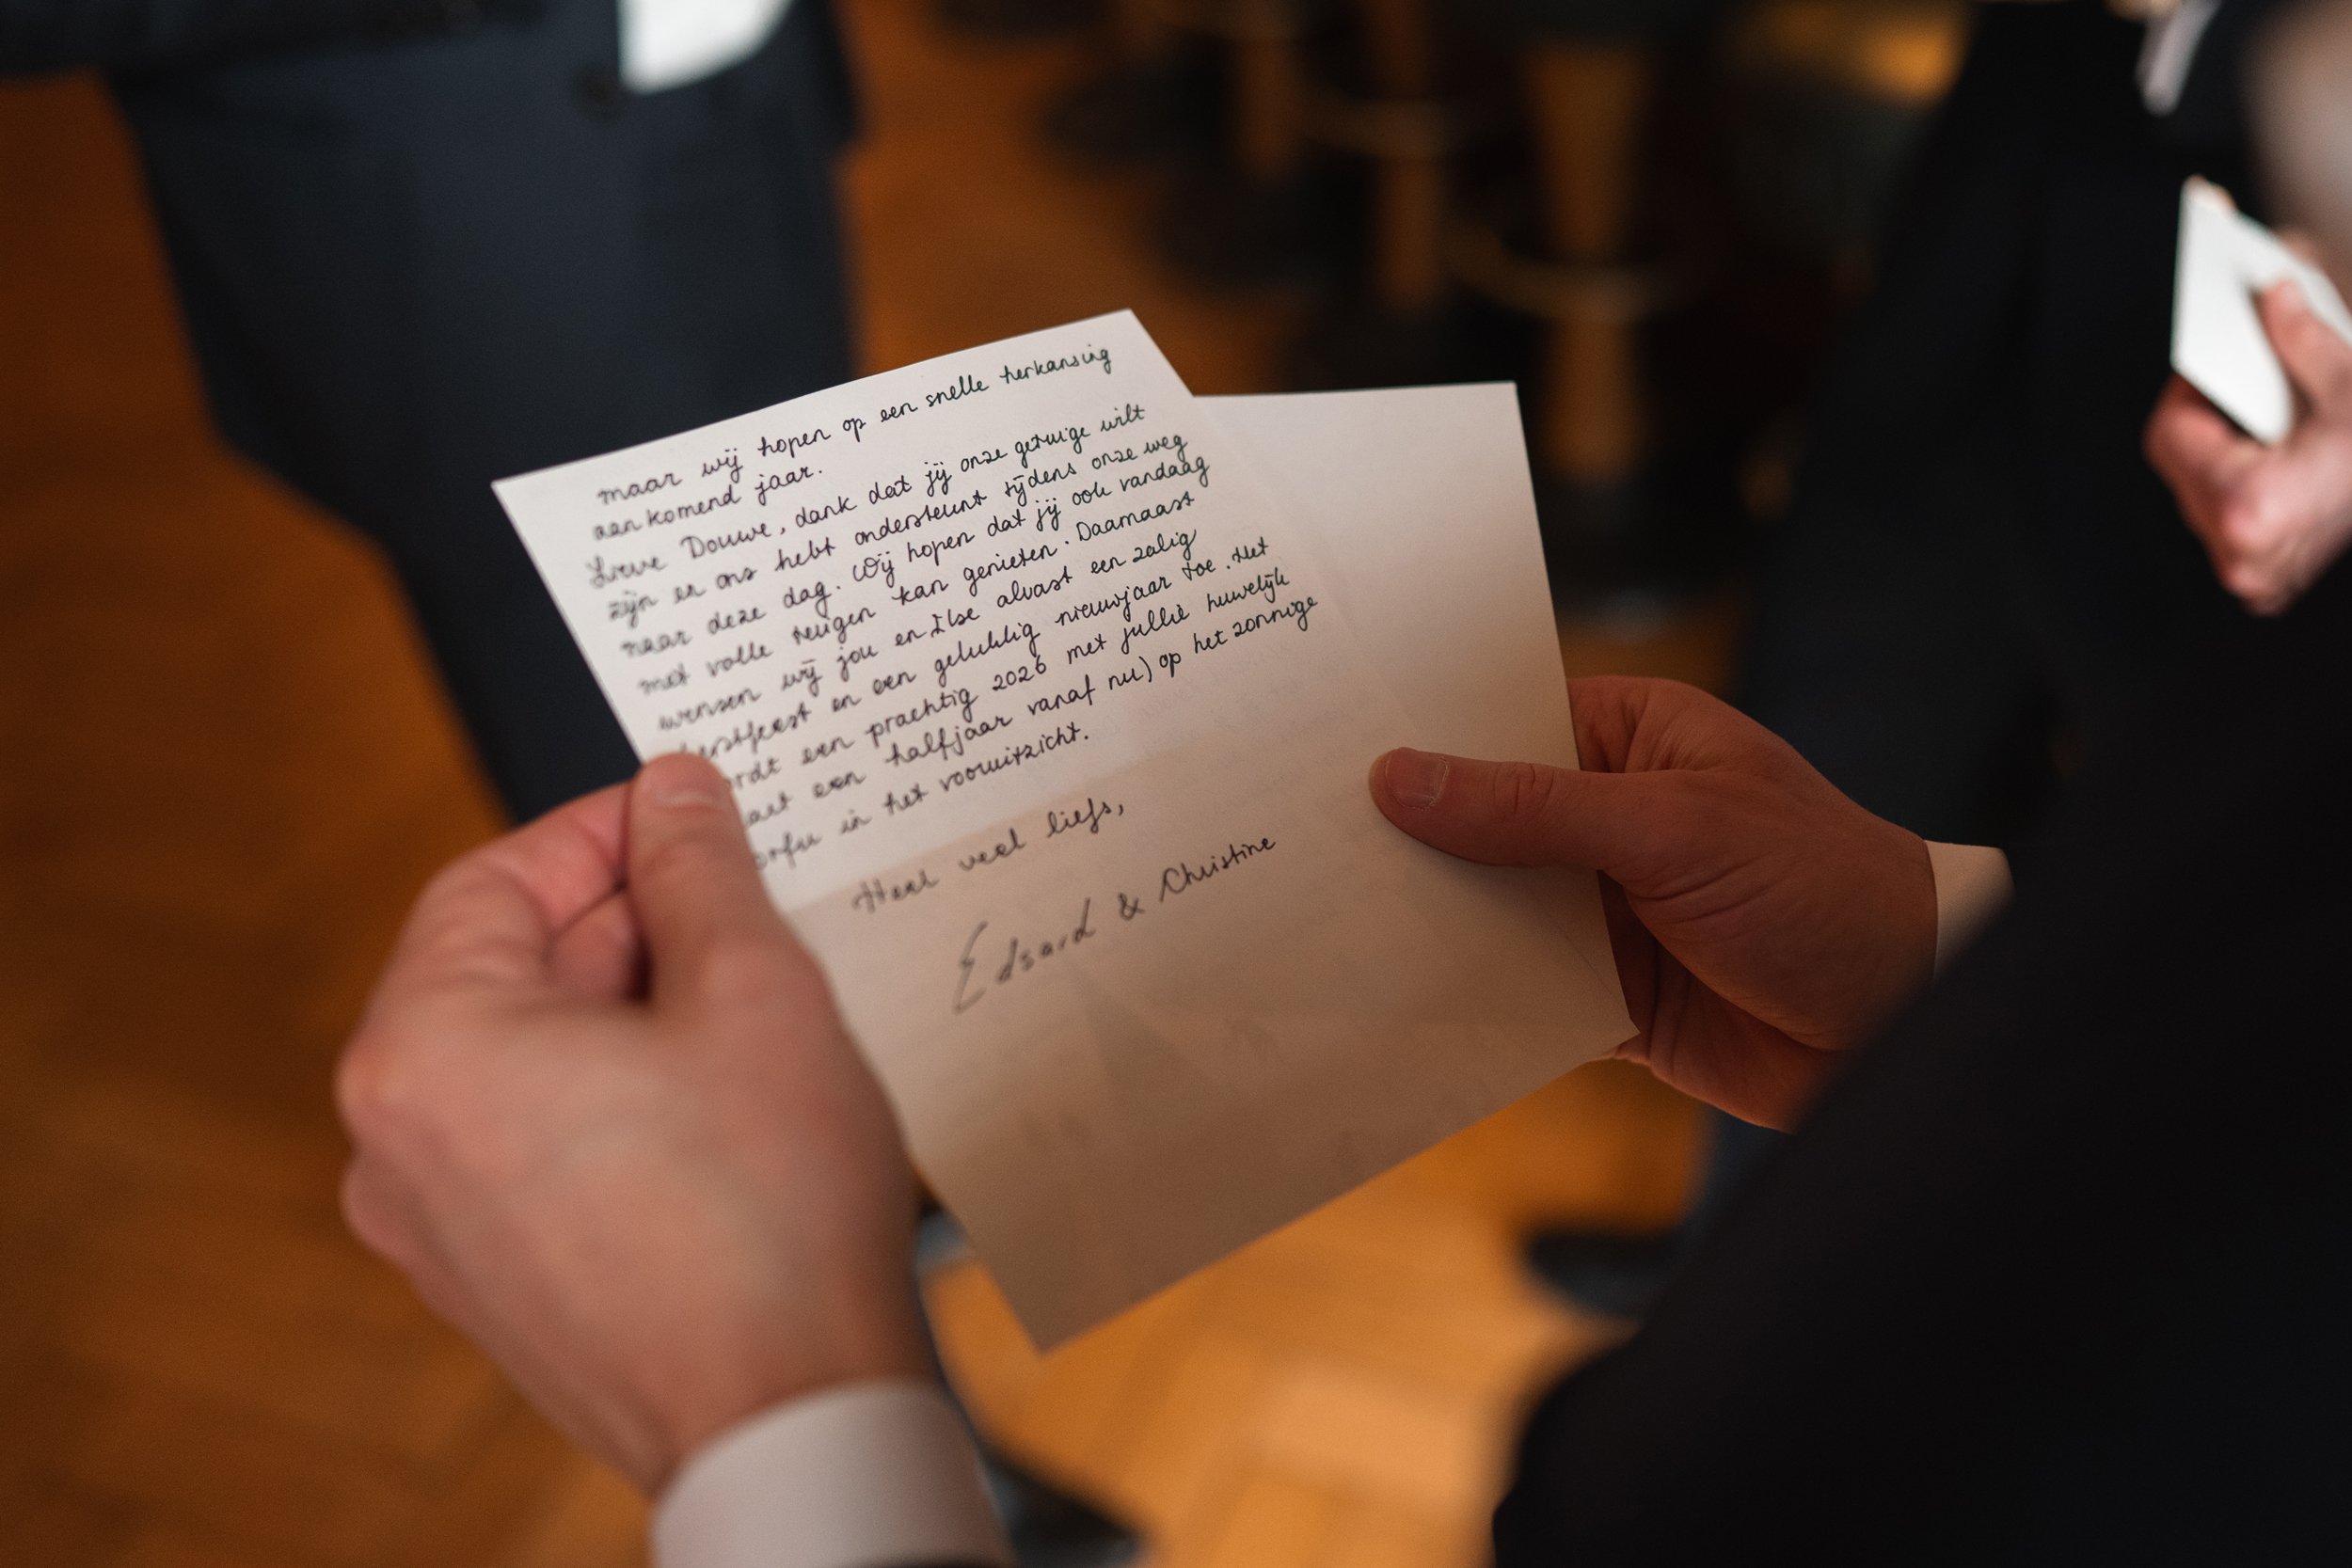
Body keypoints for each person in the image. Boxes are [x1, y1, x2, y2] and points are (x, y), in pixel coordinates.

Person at [1, 5, 1139, 1559]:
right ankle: (881, 1417)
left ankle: (883, 1167)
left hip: (733, 118)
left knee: (826, 757)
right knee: (664, 891)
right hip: (463, 211)